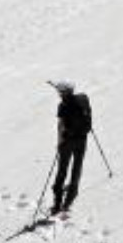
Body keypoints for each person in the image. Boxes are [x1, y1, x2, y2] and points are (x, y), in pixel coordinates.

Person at [49, 80, 94, 215]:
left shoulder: (63, 106)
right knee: (77, 168)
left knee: (62, 171)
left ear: (64, 92)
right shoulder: (83, 99)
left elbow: (61, 126)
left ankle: (57, 204)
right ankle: (69, 199)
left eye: (60, 92)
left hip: (68, 142)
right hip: (82, 140)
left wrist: (59, 143)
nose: (58, 94)